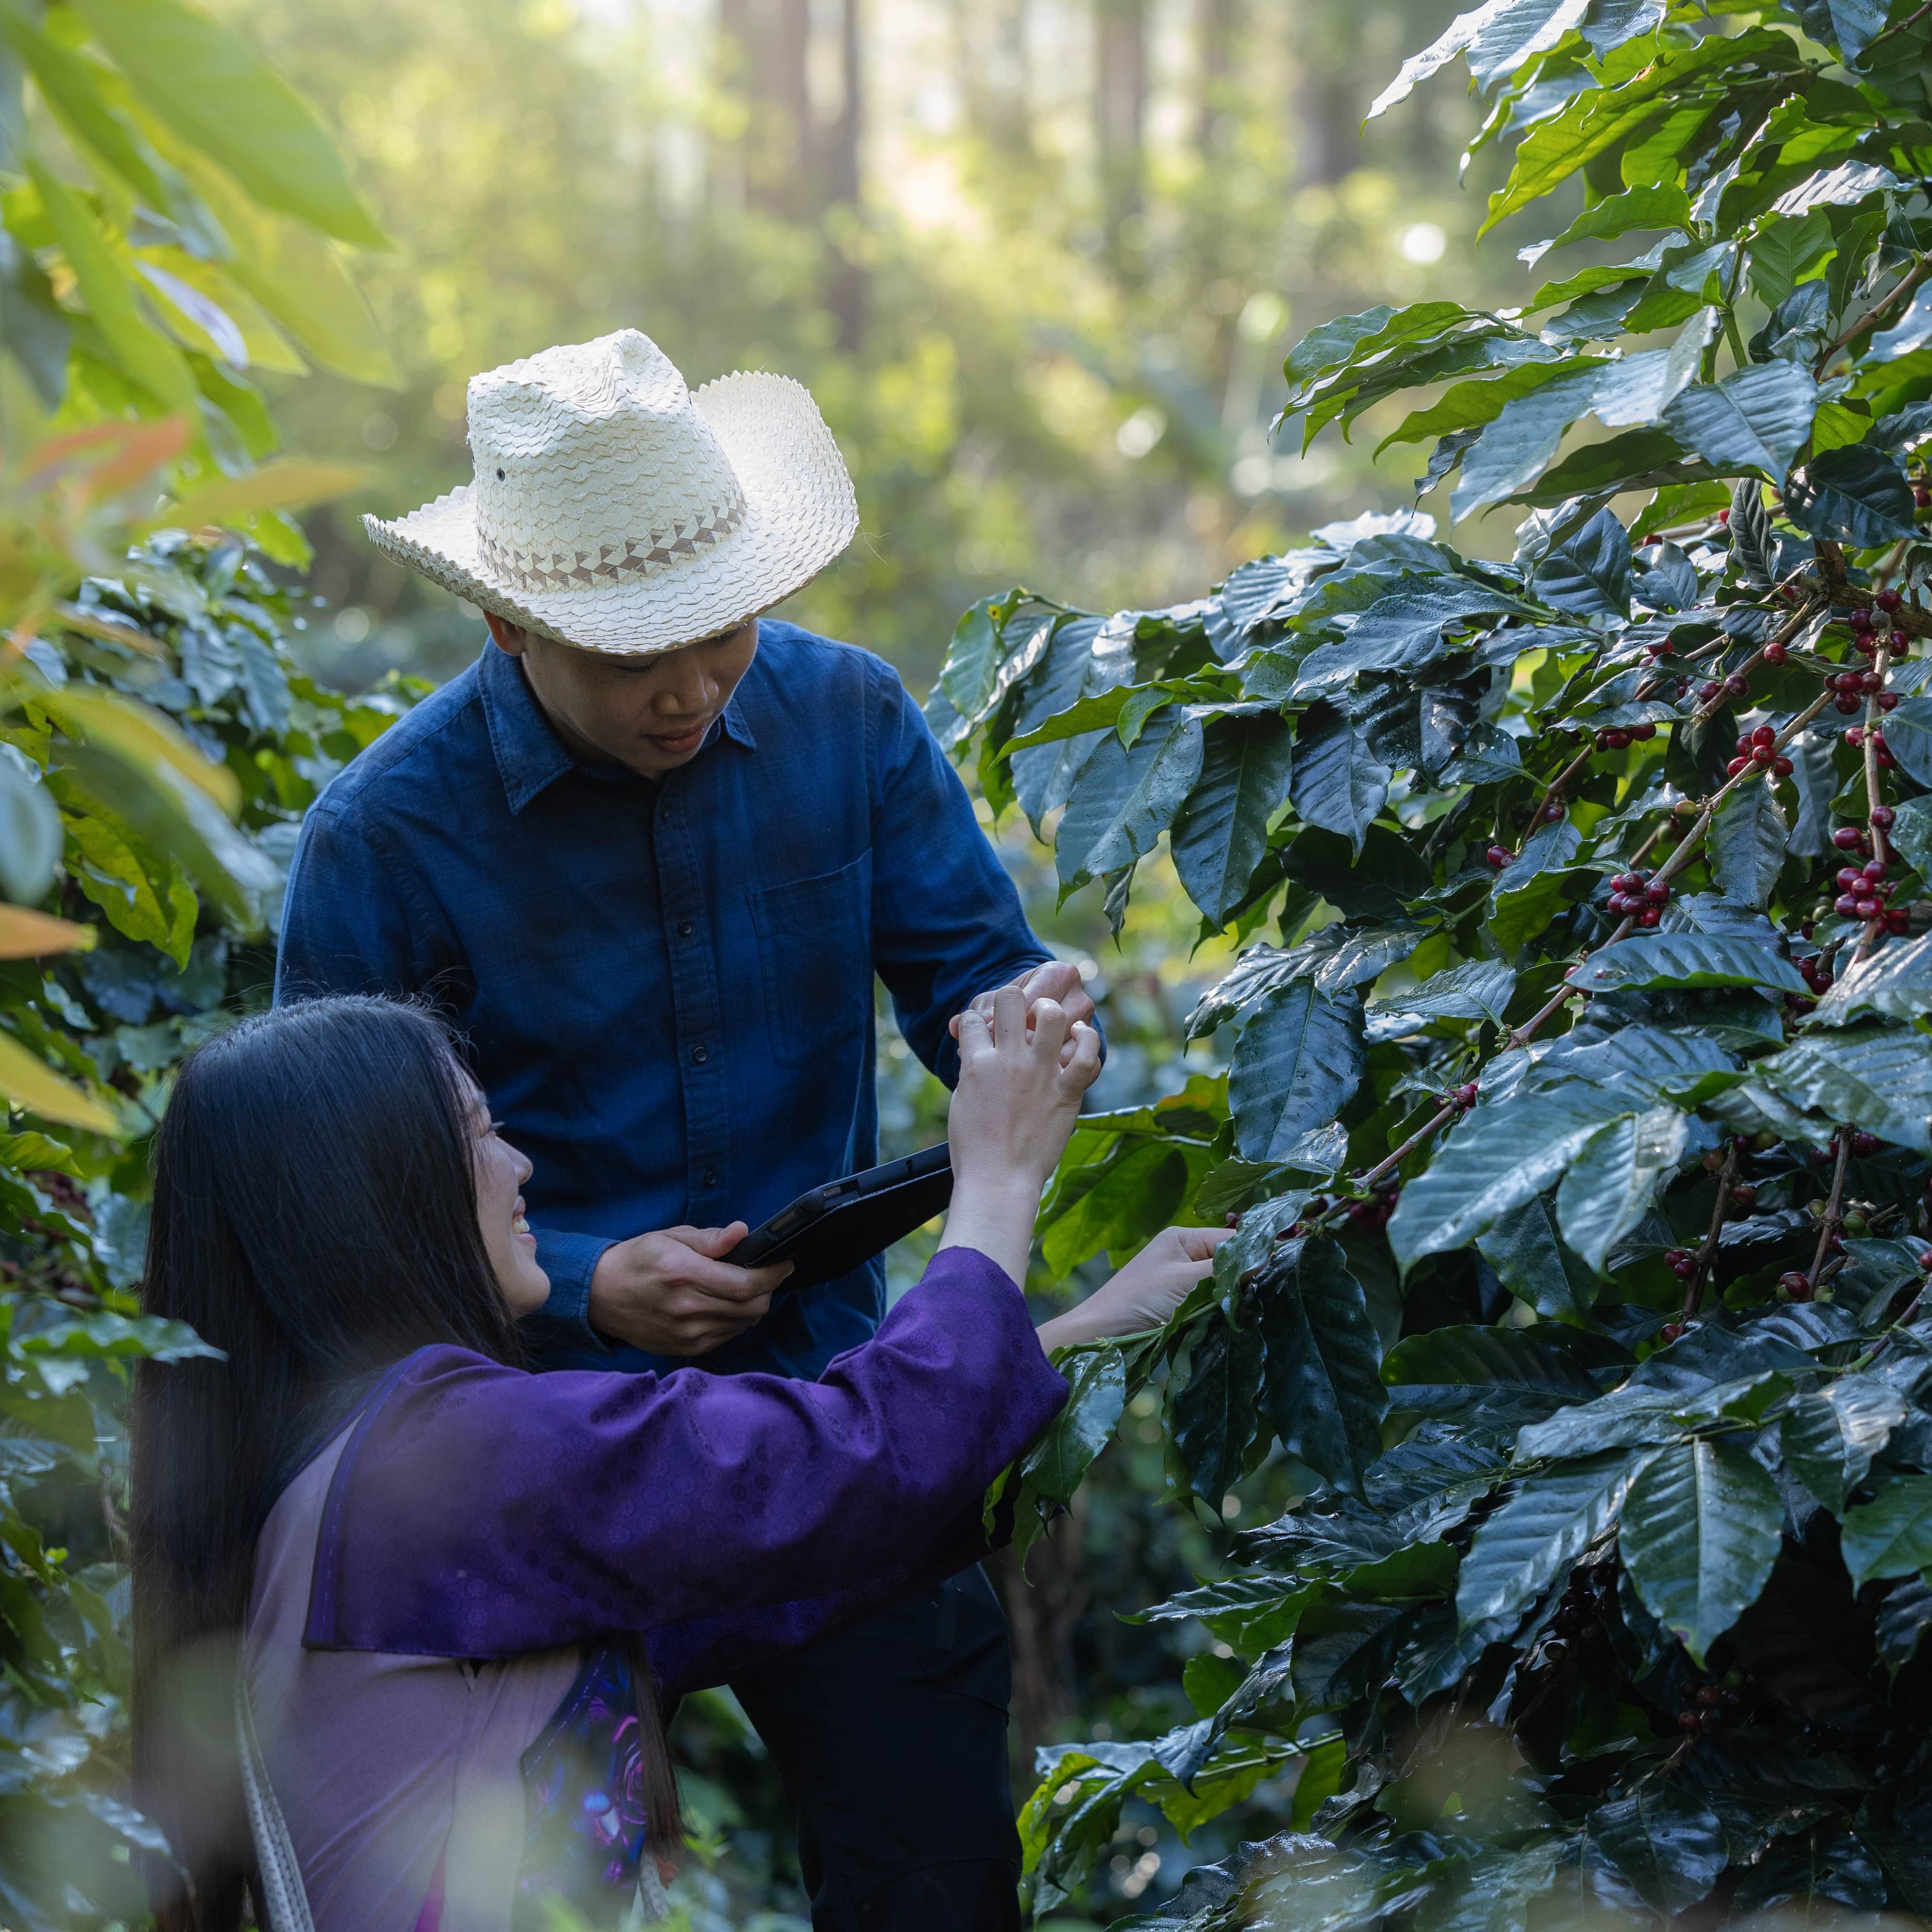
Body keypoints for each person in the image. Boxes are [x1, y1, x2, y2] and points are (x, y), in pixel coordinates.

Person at [274, 328, 1105, 1926]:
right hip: (546, 1481)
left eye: (721, 636)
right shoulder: (385, 839)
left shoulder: (847, 722)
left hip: (850, 1429)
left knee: (930, 1879)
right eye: (632, 655)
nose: (690, 687)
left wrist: (1035, 1035)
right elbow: (341, 1225)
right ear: (513, 624)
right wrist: (588, 1280)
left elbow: (980, 991)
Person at [130, 992, 1226, 1932]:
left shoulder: (352, 1482)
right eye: (478, 1133)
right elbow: (845, 1462)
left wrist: (1084, 1333)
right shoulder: (445, 1457)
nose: (519, 1166)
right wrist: (996, 1173)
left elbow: (813, 1546)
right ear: (380, 1190)